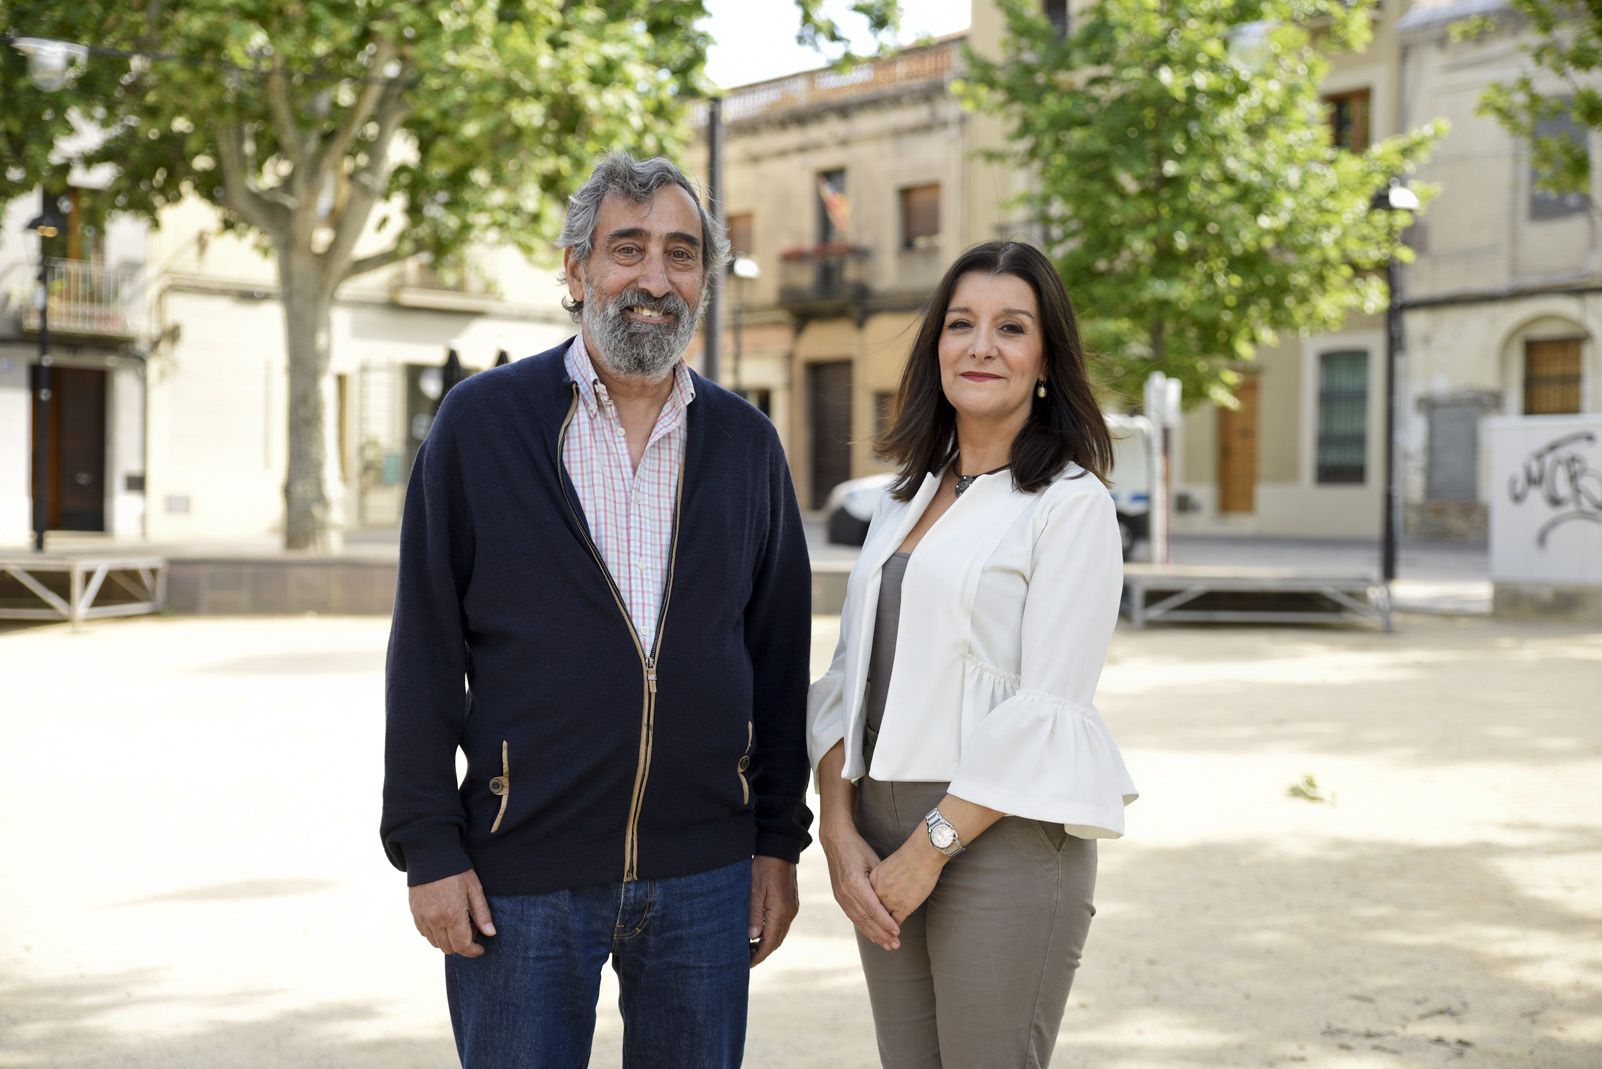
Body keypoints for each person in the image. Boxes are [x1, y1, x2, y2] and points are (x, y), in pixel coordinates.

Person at [381, 153, 813, 1069]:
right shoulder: (480, 423)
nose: (656, 279)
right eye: (629, 249)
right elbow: (424, 646)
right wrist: (428, 846)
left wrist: (777, 841)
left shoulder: (746, 444)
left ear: (705, 279)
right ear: (577, 271)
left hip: (706, 874)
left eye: (682, 254)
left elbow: (779, 659)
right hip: (519, 874)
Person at [807, 240, 1138, 1068]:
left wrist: (928, 851)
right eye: (961, 324)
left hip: (998, 838)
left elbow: (1048, 705)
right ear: (936, 349)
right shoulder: (901, 499)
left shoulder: (1071, 504)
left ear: (1046, 361)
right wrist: (841, 834)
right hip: (876, 830)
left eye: (1011, 327)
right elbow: (849, 676)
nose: (981, 344)